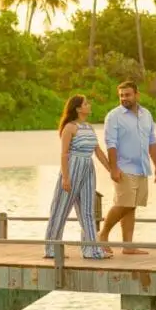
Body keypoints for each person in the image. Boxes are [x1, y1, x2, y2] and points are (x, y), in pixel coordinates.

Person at [44, 94, 112, 260]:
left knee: (88, 211)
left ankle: (92, 250)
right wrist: (66, 178)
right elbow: (64, 155)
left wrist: (111, 169)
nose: (89, 105)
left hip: (88, 168)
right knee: (61, 209)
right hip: (72, 168)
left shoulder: (89, 127)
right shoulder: (70, 127)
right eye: (86, 104)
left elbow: (98, 151)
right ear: (78, 108)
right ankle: (52, 248)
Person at [98, 80, 156, 255]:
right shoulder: (113, 116)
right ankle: (102, 235)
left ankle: (128, 246)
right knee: (124, 203)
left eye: (127, 95)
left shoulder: (146, 114)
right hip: (123, 167)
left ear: (136, 95)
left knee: (132, 206)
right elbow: (110, 143)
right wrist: (114, 168)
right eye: (121, 95)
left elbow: (152, 141)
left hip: (142, 167)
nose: (124, 98)